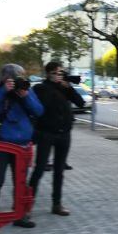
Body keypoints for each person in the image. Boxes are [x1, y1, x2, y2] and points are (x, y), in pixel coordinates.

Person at [0, 64, 44, 228]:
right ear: (4, 78)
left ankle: (20, 214)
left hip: (21, 143)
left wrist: (26, 96)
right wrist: (4, 91)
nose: (16, 81)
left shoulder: (26, 91)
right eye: (13, 78)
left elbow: (39, 111)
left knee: (20, 181)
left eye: (19, 77)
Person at [28, 61, 83, 216]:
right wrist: (55, 88)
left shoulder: (65, 88)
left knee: (59, 171)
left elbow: (80, 102)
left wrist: (69, 88)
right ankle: (27, 205)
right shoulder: (40, 88)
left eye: (61, 73)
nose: (59, 76)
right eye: (56, 73)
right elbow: (39, 108)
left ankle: (56, 204)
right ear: (49, 73)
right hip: (46, 134)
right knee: (39, 169)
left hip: (64, 134)